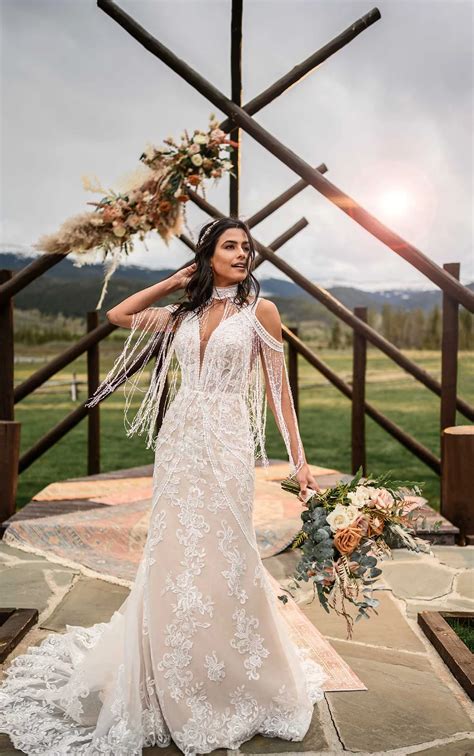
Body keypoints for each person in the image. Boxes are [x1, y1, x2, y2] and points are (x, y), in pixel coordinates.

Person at [0, 217, 329, 755]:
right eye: (230, 246)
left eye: (247, 247)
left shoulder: (259, 313)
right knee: (173, 552)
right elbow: (118, 314)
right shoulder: (182, 312)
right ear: (209, 255)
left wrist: (300, 461)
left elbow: (278, 391)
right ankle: (169, 664)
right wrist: (176, 281)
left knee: (227, 551)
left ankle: (232, 670)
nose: (243, 254)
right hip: (180, 443)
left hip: (225, 444)